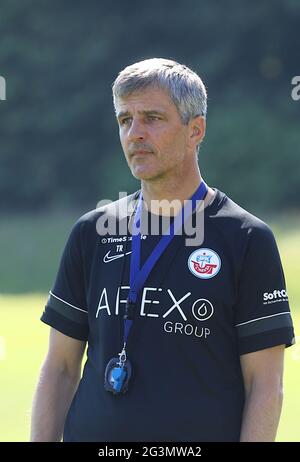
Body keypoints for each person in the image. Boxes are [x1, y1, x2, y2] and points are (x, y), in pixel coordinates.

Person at [30, 58, 295, 442]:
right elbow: (60, 368)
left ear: (195, 130)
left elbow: (265, 385)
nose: (135, 133)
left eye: (152, 118)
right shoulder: (92, 232)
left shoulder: (246, 239)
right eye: (125, 120)